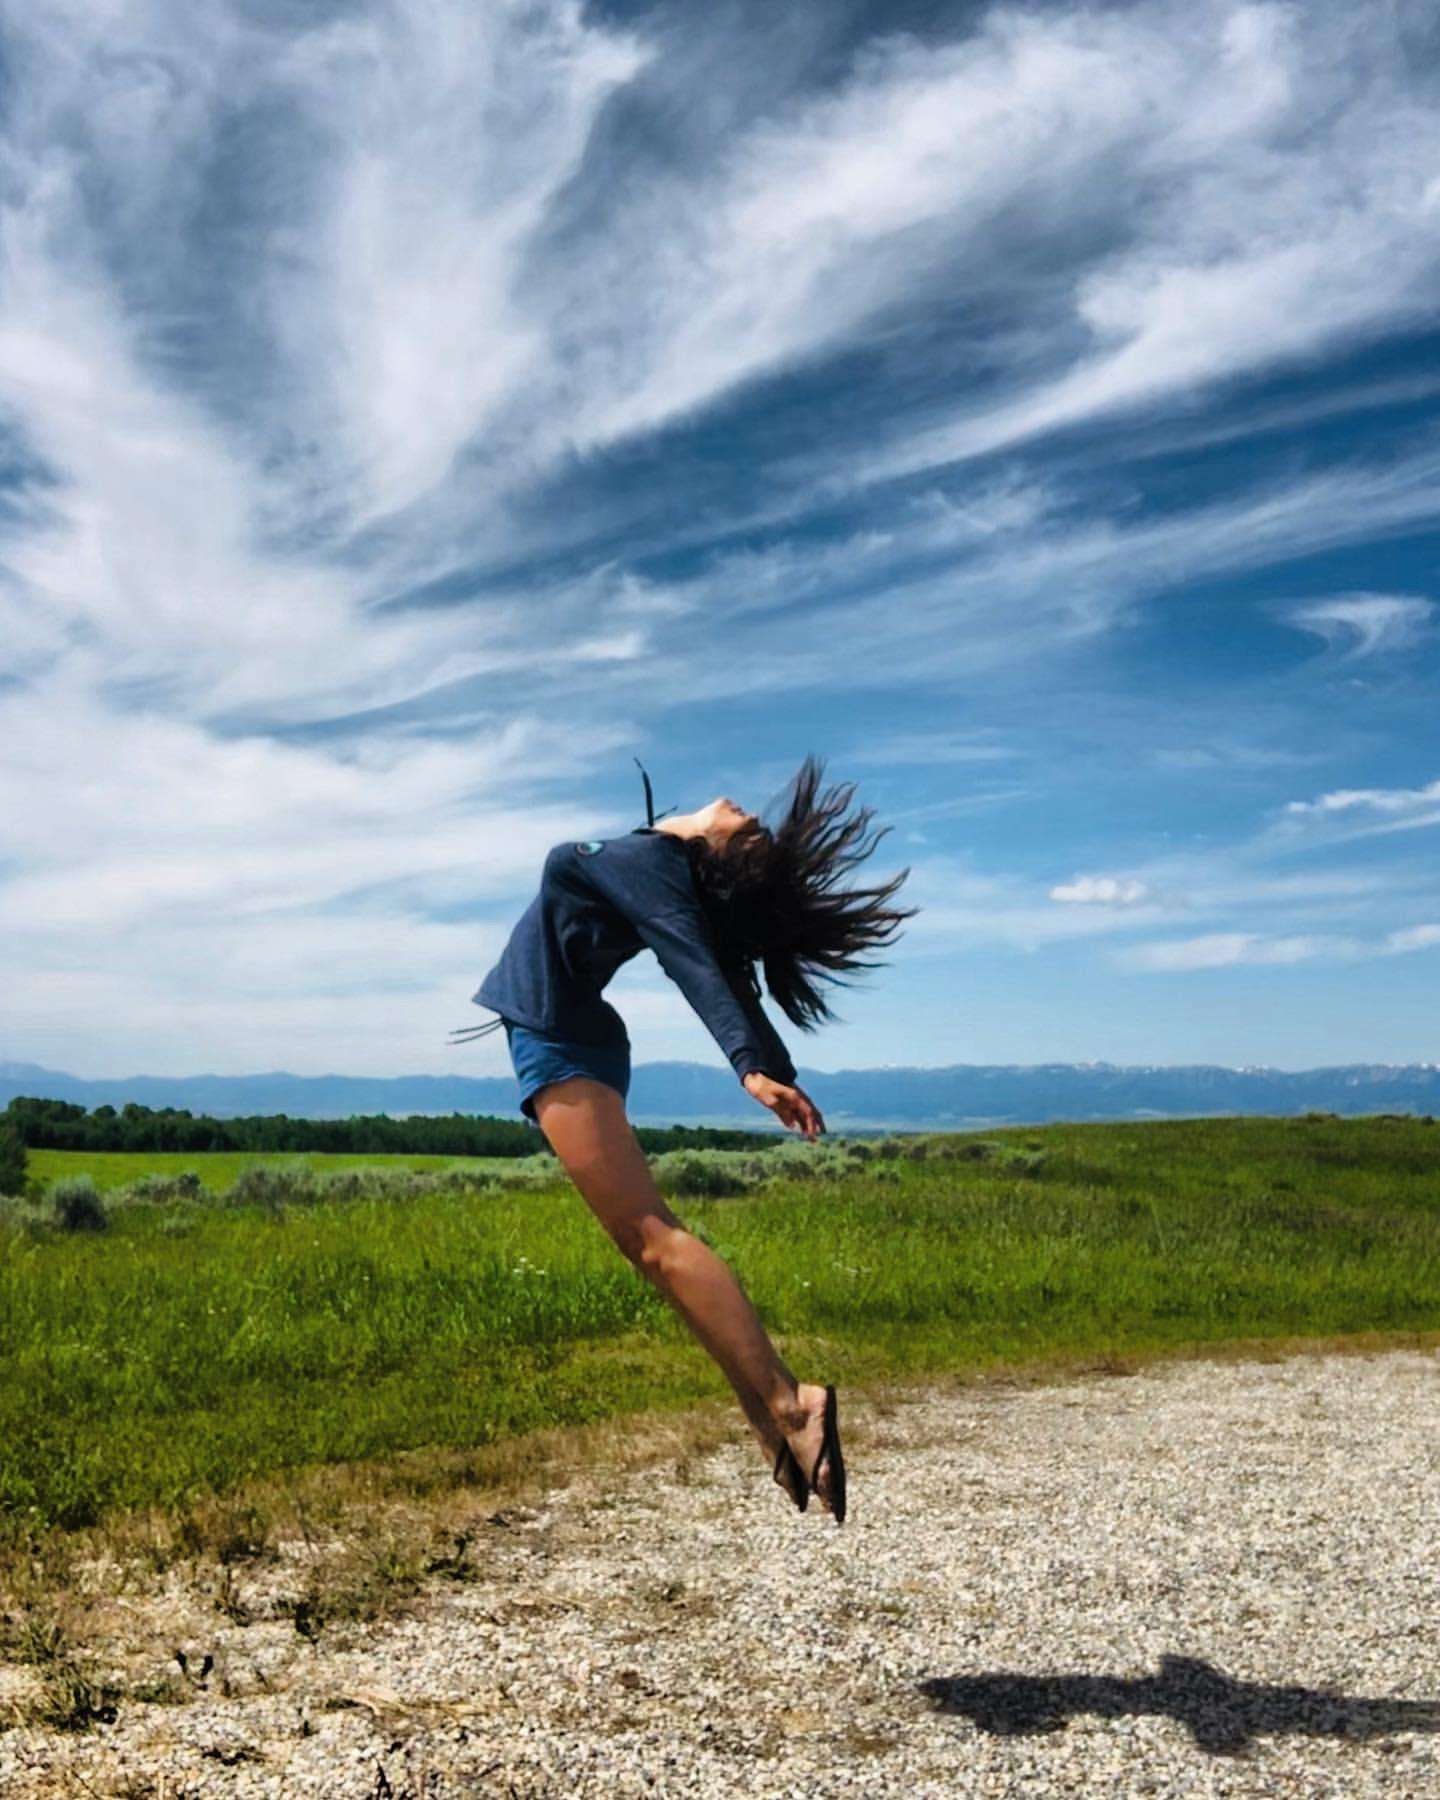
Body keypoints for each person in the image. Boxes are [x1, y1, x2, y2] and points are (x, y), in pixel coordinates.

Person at [451, 754, 917, 1521]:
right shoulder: (655, 861)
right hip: (569, 1038)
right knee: (652, 1253)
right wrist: (768, 1062)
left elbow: (694, 961)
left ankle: (794, 1408)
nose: (748, 813)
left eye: (753, 834)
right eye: (756, 827)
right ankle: (767, 1415)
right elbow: (718, 964)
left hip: (560, 1042)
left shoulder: (650, 865)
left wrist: (750, 1068)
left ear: (716, 853)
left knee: (653, 1240)